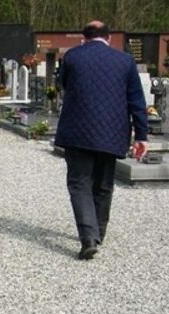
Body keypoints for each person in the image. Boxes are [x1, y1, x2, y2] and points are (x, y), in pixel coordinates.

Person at [55, 21, 148, 260]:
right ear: (109, 38)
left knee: (79, 183)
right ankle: (99, 232)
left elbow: (62, 83)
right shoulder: (125, 61)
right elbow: (136, 100)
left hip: (78, 131)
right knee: (104, 183)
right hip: (112, 132)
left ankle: (88, 237)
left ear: (84, 38)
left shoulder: (73, 56)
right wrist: (142, 136)